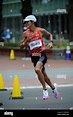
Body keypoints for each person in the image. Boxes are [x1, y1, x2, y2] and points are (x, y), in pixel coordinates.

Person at [20, 15, 60, 100]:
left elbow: (50, 35)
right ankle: (54, 88)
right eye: (25, 22)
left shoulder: (40, 31)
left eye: (28, 22)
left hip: (41, 55)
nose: (26, 24)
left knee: (37, 69)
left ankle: (45, 90)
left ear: (33, 22)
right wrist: (23, 44)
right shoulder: (25, 34)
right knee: (44, 76)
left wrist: (51, 42)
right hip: (33, 57)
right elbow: (21, 46)